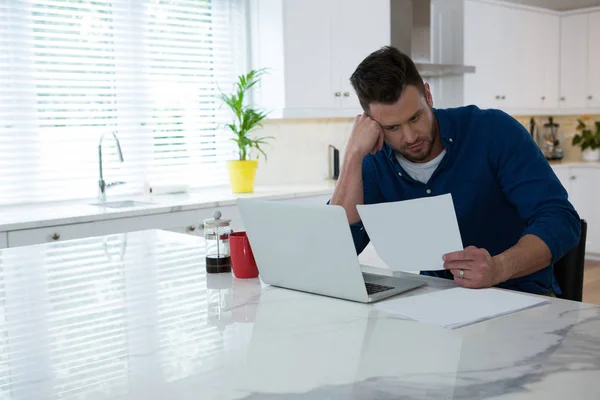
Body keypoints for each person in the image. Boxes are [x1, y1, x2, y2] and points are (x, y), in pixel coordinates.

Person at [329, 46, 581, 296]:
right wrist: (352, 156)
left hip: (520, 295)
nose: (409, 136)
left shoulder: (492, 131)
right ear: (371, 122)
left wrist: (499, 267)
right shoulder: (373, 158)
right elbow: (332, 250)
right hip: (435, 300)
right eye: (393, 127)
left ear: (428, 94)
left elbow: (560, 218)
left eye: (415, 117)